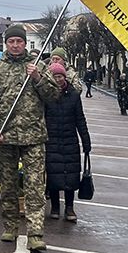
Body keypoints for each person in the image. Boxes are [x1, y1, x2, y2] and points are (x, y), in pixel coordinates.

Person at [0, 23, 60, 253]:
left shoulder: (38, 67)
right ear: (6, 44)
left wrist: (37, 78)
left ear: (25, 43)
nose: (15, 45)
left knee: (35, 186)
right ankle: (11, 224)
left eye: (19, 41)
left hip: (33, 136)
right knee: (8, 184)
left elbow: (53, 96)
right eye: (11, 41)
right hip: (5, 136)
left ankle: (35, 232)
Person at [44, 63, 91, 222]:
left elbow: (80, 119)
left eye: (60, 76)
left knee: (71, 176)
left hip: (70, 140)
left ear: (65, 77)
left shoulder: (73, 95)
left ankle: (70, 207)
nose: (58, 79)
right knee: (53, 175)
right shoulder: (47, 95)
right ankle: (55, 207)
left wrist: (86, 140)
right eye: (55, 77)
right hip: (51, 140)